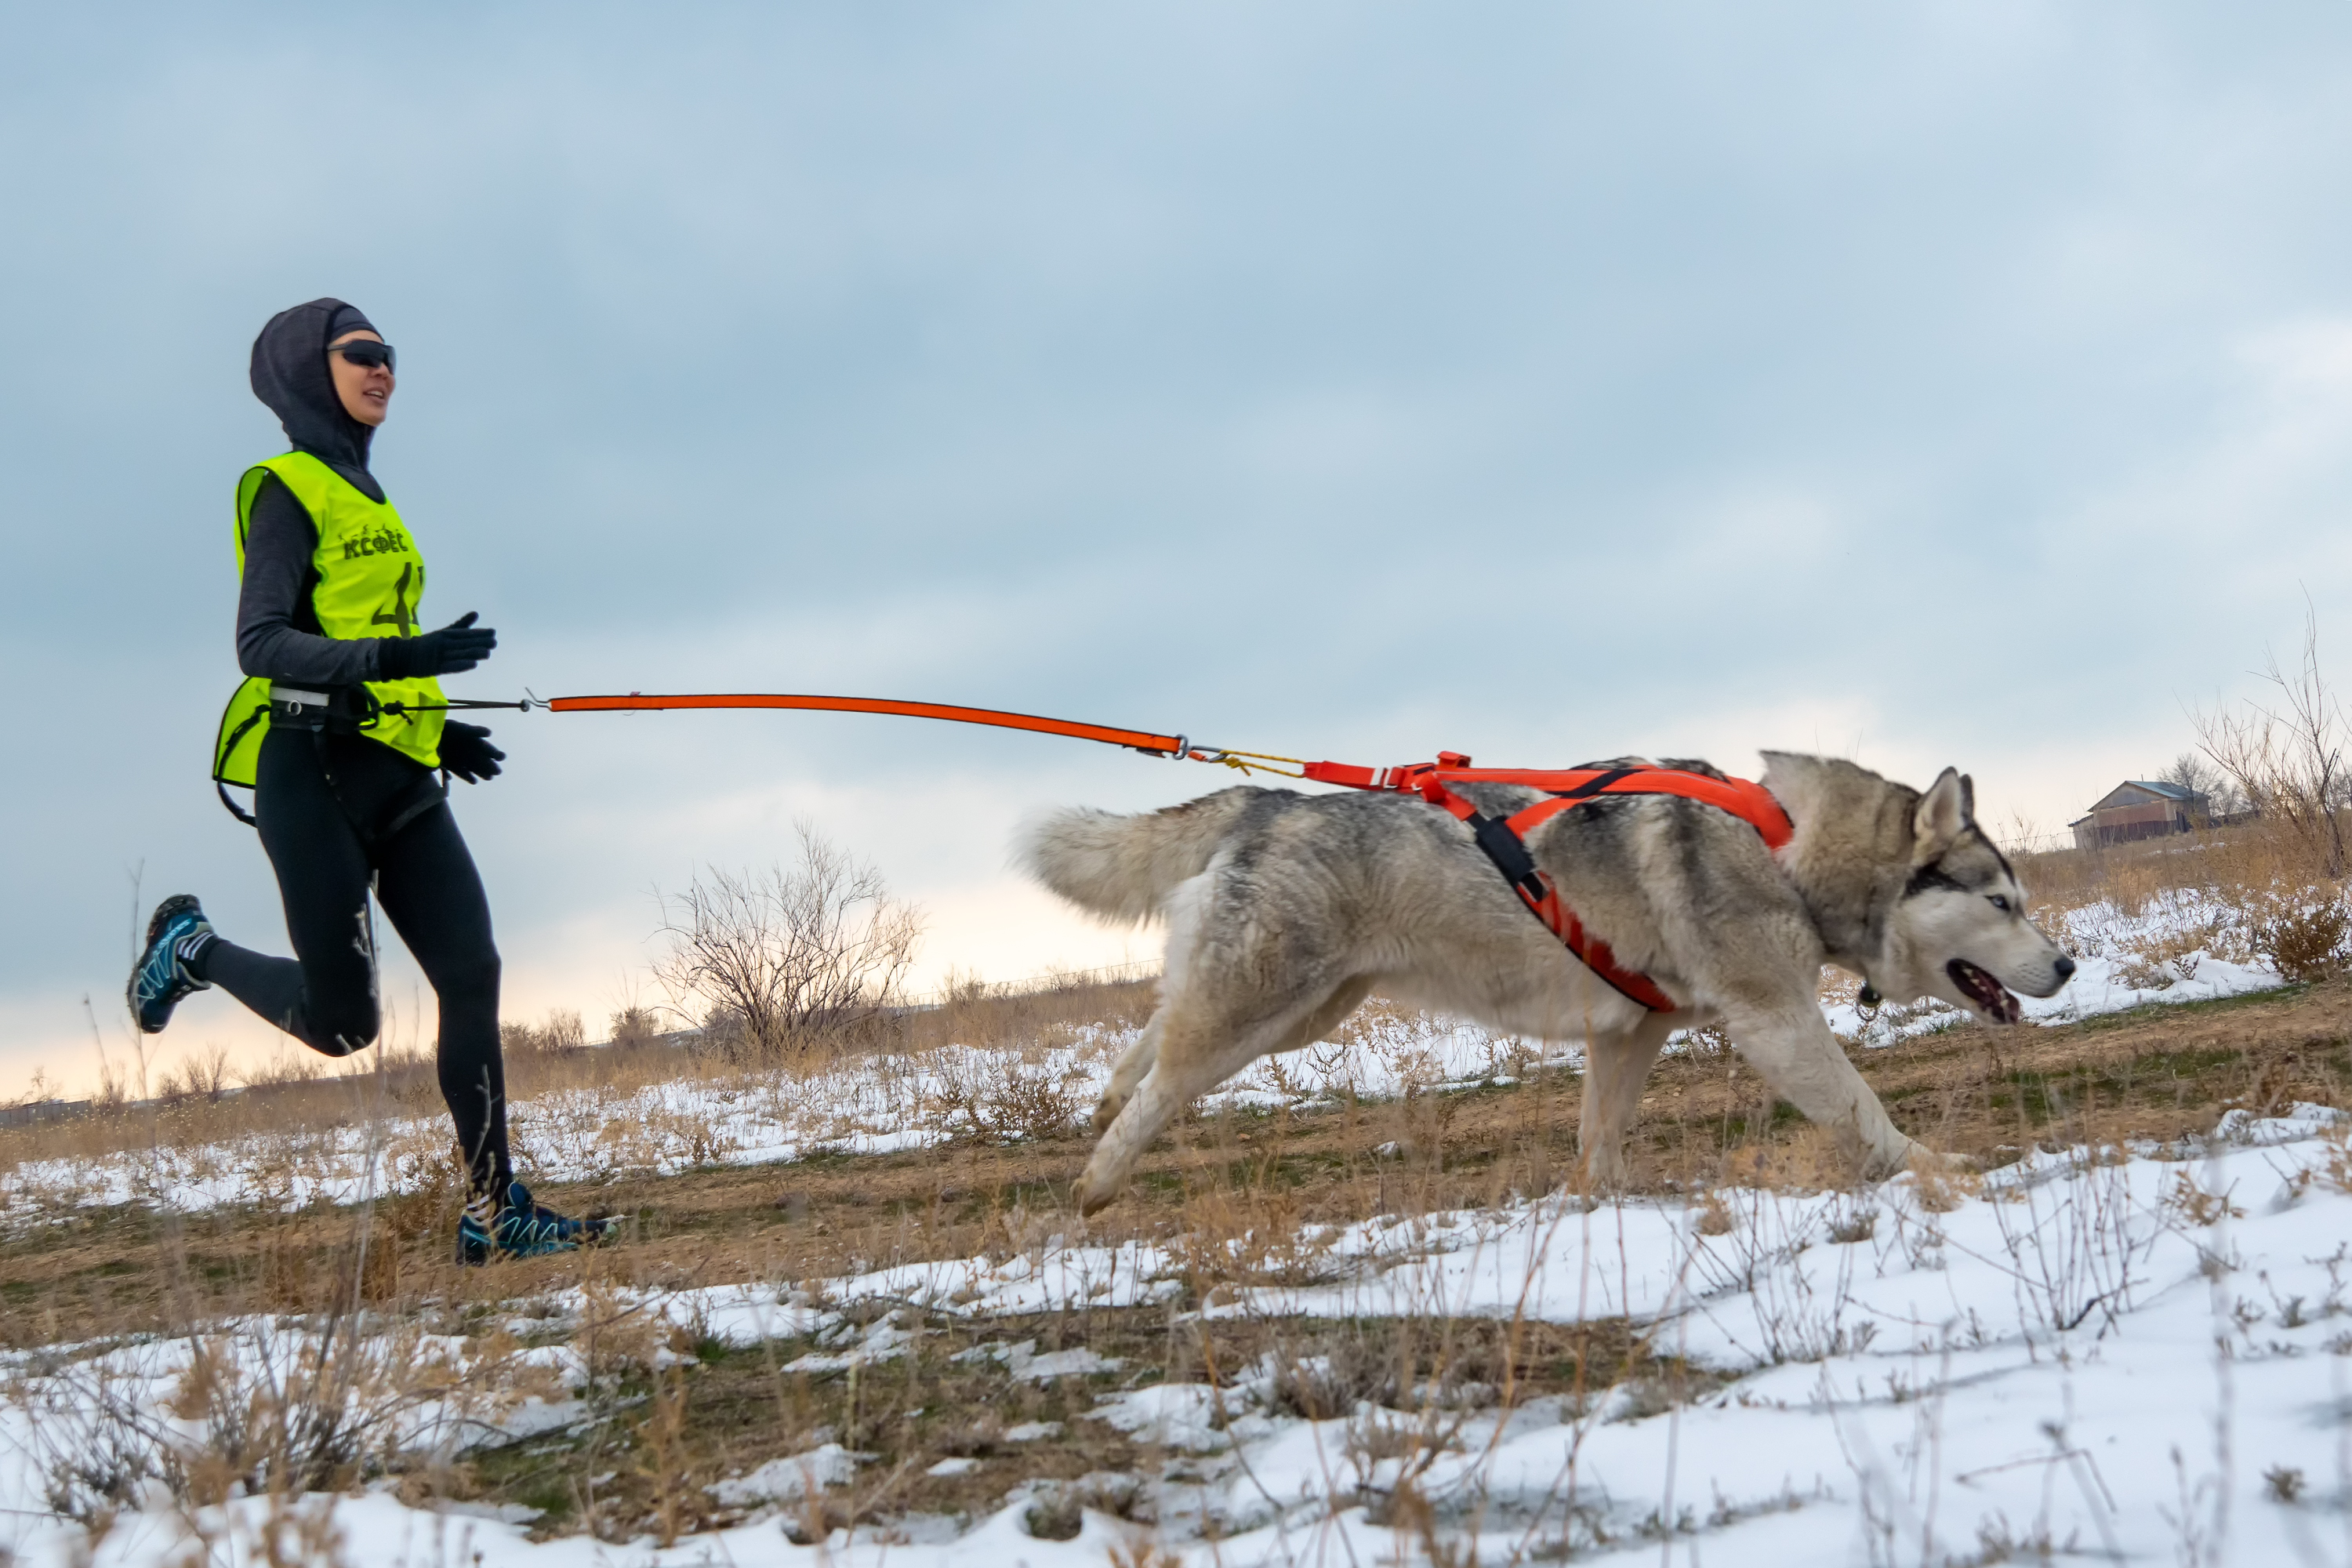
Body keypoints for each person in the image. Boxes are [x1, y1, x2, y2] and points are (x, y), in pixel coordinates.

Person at [128, 298, 612, 1265]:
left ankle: (493, 1209)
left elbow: (372, 642)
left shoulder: (371, 495)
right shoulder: (283, 489)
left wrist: (441, 731)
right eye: (362, 354)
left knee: (472, 972)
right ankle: (193, 948)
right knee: (345, 1026)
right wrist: (401, 658)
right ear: (312, 369)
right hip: (308, 773)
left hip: (392, 764)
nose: (383, 369)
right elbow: (261, 643)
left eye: (391, 356)